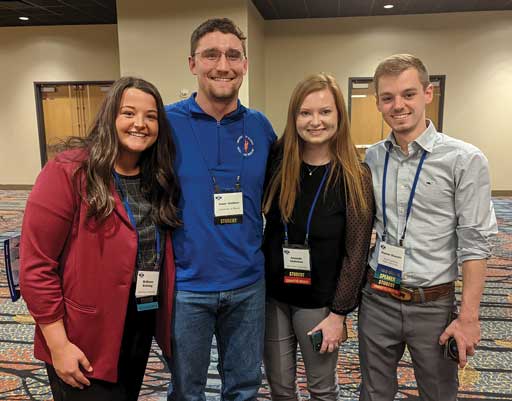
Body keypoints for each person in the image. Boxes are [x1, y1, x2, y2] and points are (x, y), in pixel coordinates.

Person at [19, 76, 181, 401]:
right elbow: (36, 267)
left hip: (138, 323)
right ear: (110, 117)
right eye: (129, 113)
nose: (140, 124)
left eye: (150, 117)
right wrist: (59, 344)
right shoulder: (69, 172)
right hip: (83, 335)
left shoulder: (156, 178)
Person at [359, 54, 498, 401]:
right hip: (378, 298)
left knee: (438, 393)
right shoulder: (372, 158)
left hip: (433, 304)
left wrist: (468, 317)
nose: (398, 105)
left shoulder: (464, 159)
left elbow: (475, 243)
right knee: (373, 393)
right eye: (388, 97)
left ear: (427, 93)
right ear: (378, 102)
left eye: (408, 94)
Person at [164, 18, 276, 401]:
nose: (223, 65)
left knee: (244, 388)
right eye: (211, 54)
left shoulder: (260, 127)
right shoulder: (165, 124)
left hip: (247, 284)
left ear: (245, 64)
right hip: (186, 287)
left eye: (233, 55)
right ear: (193, 64)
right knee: (185, 390)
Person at [262, 73, 374, 400]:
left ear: (339, 115)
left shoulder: (355, 175)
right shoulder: (278, 163)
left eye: (325, 112)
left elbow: (356, 253)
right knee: (280, 388)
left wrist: (339, 315)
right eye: (305, 113)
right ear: (294, 117)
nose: (315, 121)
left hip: (320, 308)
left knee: (321, 388)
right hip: (274, 300)